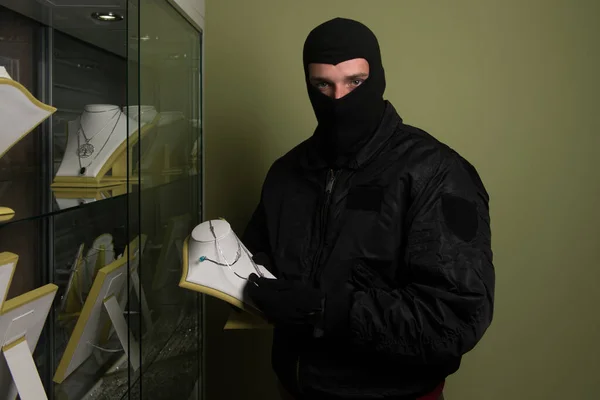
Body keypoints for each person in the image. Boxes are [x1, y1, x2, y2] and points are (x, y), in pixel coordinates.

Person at [242, 17, 495, 400]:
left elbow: (456, 317)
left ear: (377, 77)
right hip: (293, 390)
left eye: (354, 82)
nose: (338, 99)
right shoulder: (285, 173)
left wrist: (325, 309)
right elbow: (259, 253)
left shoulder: (437, 173)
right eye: (322, 84)